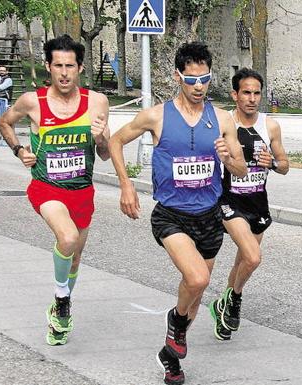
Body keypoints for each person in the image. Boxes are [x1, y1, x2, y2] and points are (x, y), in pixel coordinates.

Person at [108, 41, 246, 385]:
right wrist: (126, 185)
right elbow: (115, 141)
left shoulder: (223, 118)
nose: (199, 87)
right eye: (191, 80)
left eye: (205, 80)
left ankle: (170, 355)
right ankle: (175, 322)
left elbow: (241, 169)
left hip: (210, 216)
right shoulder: (156, 115)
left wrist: (229, 158)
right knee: (198, 279)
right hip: (171, 216)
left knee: (196, 296)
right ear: (177, 76)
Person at [0, 34, 110, 346]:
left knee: (74, 259)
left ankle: (60, 313)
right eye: (58, 65)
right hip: (47, 188)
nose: (63, 72)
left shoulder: (96, 102)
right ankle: (62, 299)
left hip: (82, 191)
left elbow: (104, 153)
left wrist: (100, 138)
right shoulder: (34, 102)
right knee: (68, 238)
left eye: (69, 66)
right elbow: (4, 122)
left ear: (80, 68)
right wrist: (19, 150)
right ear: (48, 67)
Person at [208, 68, 289, 341]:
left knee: (244, 260)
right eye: (246, 93)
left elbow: (285, 164)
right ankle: (236, 299)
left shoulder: (270, 126)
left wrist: (273, 164)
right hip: (230, 201)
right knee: (253, 256)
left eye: (256, 93)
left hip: (258, 202)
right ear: (235, 94)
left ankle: (224, 305)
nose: (252, 99)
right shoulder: (225, 123)